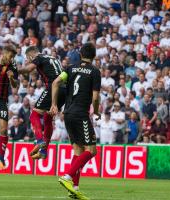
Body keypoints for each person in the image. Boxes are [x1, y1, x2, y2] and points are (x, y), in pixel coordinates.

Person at [50, 43, 101, 199]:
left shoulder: (70, 69)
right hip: (81, 114)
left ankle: (74, 188)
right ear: (94, 56)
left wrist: (53, 104)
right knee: (91, 150)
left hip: (68, 113)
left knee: (78, 152)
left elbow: (56, 82)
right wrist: (96, 111)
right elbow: (96, 97)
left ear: (80, 54)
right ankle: (68, 176)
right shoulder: (94, 71)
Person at [18, 46, 66, 159]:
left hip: (54, 88)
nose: (28, 60)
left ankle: (39, 141)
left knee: (34, 115)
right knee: (47, 118)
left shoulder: (38, 57)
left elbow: (28, 69)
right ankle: (44, 151)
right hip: (65, 90)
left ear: (31, 55)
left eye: (28, 58)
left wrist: (15, 69)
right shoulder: (52, 58)